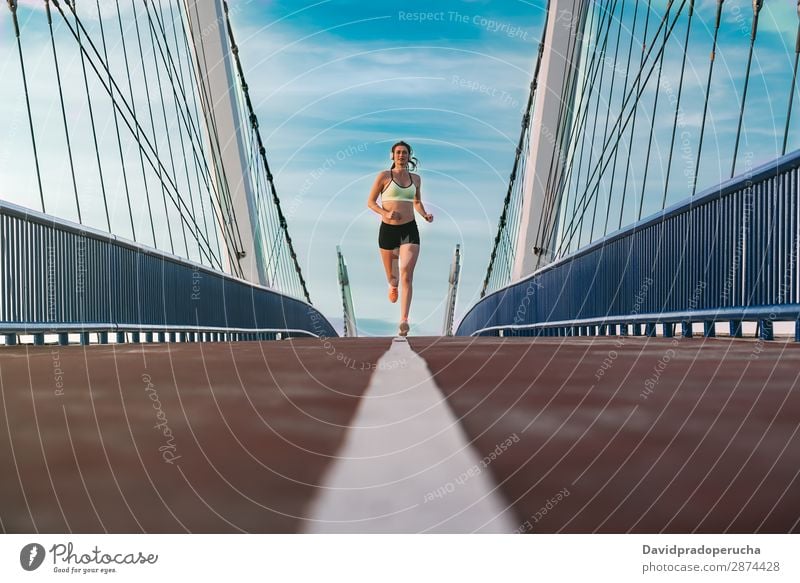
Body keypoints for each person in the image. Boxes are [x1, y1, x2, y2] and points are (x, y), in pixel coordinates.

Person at [367, 141, 434, 336]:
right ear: (392, 155)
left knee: (406, 272)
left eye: (404, 153)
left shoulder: (416, 179)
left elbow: (417, 201)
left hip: (409, 229)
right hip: (388, 230)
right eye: (398, 152)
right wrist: (384, 213)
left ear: (409, 155)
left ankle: (404, 320)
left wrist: (425, 215)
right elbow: (370, 202)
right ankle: (392, 285)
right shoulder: (384, 176)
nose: (401, 155)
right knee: (394, 276)